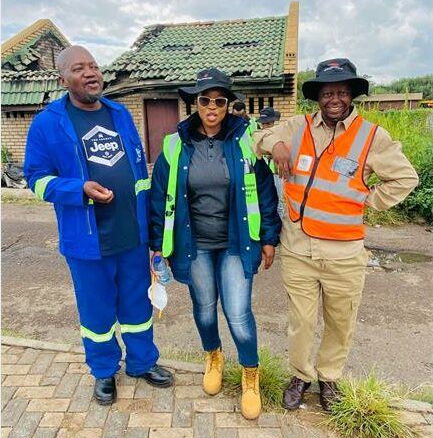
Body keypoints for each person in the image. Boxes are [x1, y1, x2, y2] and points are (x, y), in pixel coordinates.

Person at [254, 58, 418, 412]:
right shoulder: (298, 126)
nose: (334, 99)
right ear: (318, 97)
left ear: (351, 95)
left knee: (340, 322)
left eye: (342, 92)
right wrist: (275, 144)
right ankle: (300, 376)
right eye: (328, 92)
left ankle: (329, 378)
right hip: (298, 248)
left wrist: (367, 200)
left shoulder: (371, 136)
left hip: (344, 254)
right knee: (301, 322)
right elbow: (258, 136)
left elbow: (405, 178)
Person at [24, 45, 173, 405]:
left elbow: (138, 174)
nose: (90, 73)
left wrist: (150, 231)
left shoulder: (119, 113)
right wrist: (79, 190)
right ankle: (104, 371)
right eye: (79, 68)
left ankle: (141, 362)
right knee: (96, 311)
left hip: (132, 234)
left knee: (138, 307)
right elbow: (36, 179)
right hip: (87, 241)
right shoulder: (48, 123)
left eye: (93, 66)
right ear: (63, 80)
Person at [150, 68, 281, 419]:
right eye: (205, 100)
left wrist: (269, 236)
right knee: (205, 309)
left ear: (227, 105)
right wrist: (157, 243)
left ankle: (250, 374)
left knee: (237, 313)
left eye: (219, 101)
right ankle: (214, 356)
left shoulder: (245, 141)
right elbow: (159, 196)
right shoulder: (175, 145)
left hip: (237, 242)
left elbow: (265, 192)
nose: (212, 106)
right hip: (195, 244)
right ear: (195, 102)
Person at [257, 107, 285, 220]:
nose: (265, 127)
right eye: (263, 124)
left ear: (274, 122)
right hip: (264, 177)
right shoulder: (257, 136)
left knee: (280, 203)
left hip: (278, 175)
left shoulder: (281, 137)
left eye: (268, 123)